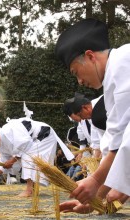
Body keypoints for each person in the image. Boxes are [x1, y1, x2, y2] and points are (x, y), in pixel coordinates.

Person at [55, 18, 130, 212]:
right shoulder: (114, 78)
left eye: (76, 72)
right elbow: (115, 138)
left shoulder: (123, 62)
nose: (79, 81)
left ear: (90, 56)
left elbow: (124, 139)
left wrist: (97, 182)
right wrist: (96, 196)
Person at [0, 117, 74, 197]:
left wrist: (13, 161)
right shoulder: (2, 140)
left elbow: (25, 145)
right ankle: (68, 185)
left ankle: (29, 190)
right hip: (34, 141)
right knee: (38, 164)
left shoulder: (8, 130)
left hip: (44, 136)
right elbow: (4, 159)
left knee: (28, 158)